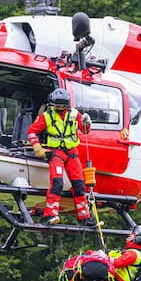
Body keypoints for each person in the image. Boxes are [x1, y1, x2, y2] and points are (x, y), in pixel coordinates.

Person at [27, 88, 95, 226]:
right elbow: (31, 132)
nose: (58, 108)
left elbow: (85, 130)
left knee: (79, 185)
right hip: (56, 153)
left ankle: (84, 217)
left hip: (72, 153)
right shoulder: (46, 116)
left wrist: (87, 122)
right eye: (55, 105)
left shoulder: (75, 114)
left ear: (66, 104)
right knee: (57, 183)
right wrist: (37, 147)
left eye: (60, 106)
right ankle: (50, 215)